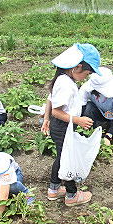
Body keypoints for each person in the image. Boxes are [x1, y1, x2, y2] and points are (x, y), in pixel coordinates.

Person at [46, 43, 101, 207]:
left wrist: (48, 118)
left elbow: (51, 100)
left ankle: (54, 189)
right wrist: (79, 120)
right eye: (87, 73)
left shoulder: (64, 78)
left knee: (62, 157)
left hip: (62, 125)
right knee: (68, 159)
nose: (87, 76)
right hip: (62, 126)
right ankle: (71, 194)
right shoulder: (65, 83)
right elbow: (57, 111)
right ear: (77, 67)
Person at [80, 67, 113, 143]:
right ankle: (91, 132)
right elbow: (81, 108)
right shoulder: (86, 88)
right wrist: (81, 123)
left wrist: (108, 136)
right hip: (101, 112)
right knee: (88, 107)